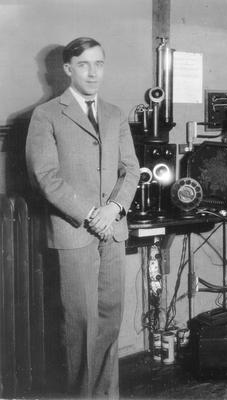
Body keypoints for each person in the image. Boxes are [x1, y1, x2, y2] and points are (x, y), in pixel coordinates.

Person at [26, 37, 140, 398]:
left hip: (113, 228)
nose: (93, 72)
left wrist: (114, 209)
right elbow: (45, 176)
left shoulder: (115, 114)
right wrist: (91, 214)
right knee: (80, 325)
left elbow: (131, 170)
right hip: (74, 233)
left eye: (100, 63)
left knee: (109, 320)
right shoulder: (46, 115)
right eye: (85, 65)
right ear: (67, 69)